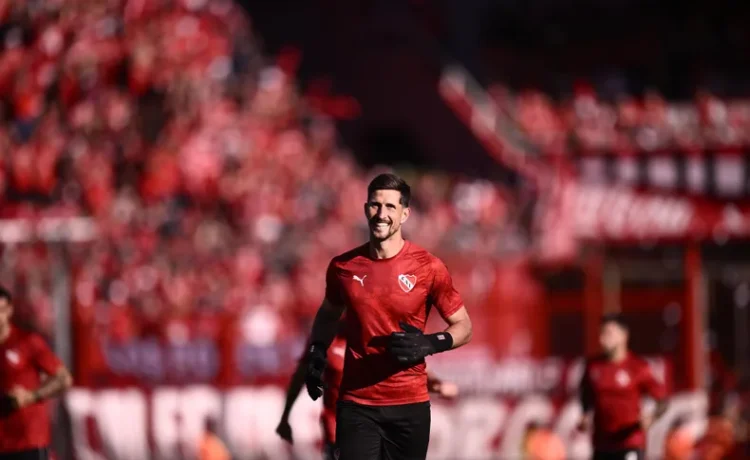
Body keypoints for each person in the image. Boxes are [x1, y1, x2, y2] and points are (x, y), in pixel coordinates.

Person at [303, 173, 473, 460]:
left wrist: (431, 343)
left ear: (405, 214)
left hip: (410, 405)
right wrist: (316, 350)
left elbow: (464, 326)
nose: (381, 214)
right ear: (366, 209)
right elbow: (328, 314)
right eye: (375, 205)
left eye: (390, 207)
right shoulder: (344, 267)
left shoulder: (429, 267)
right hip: (357, 404)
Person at [276, 326, 460, 459]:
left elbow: (410, 369)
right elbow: (300, 375)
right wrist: (285, 416)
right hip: (338, 435)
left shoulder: (379, 335)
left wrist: (438, 386)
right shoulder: (323, 338)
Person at [578, 313, 668, 460]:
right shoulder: (593, 367)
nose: (602, 339)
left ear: (623, 336)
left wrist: (651, 417)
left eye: (608, 333)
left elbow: (663, 401)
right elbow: (585, 393)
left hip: (630, 442)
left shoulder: (638, 367)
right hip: (602, 444)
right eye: (601, 334)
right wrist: (585, 414)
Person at [0, 286, 73, 460]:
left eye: (1, 310)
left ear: (9, 310)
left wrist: (31, 396)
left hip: (29, 442)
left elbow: (63, 379)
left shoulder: (27, 342)